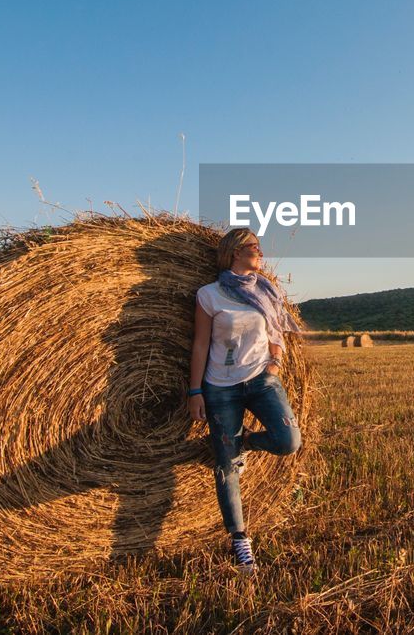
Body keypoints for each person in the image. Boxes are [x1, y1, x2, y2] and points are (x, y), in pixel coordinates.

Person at [188, 228, 302, 574]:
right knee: (226, 467)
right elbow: (200, 345)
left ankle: (245, 443)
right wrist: (195, 391)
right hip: (220, 387)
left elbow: (276, 331)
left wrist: (276, 360)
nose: (261, 253)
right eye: (254, 247)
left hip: (261, 380)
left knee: (288, 441)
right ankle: (240, 541)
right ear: (235, 252)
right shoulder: (209, 295)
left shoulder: (266, 291)